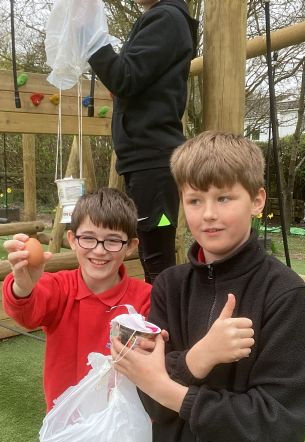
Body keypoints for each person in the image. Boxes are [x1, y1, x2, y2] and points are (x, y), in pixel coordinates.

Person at [110, 132, 305, 442]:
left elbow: (277, 422)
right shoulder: (169, 287)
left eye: (224, 198)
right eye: (195, 200)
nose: (208, 214)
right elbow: (149, 400)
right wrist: (200, 357)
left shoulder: (286, 297)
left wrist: (172, 390)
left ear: (257, 200)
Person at [2, 187, 151, 442]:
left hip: (121, 427)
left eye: (113, 240)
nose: (99, 250)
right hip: (72, 426)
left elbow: (156, 354)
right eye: (89, 238)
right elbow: (28, 312)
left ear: (131, 246)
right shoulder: (58, 287)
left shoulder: (144, 298)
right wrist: (22, 286)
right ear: (72, 239)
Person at [88, 0, 199, 284]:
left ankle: (163, 311)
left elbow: (124, 77)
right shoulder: (164, 19)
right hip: (145, 158)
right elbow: (133, 77)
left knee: (157, 257)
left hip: (152, 159)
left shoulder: (166, 18)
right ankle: (159, 307)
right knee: (152, 253)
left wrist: (90, 34)